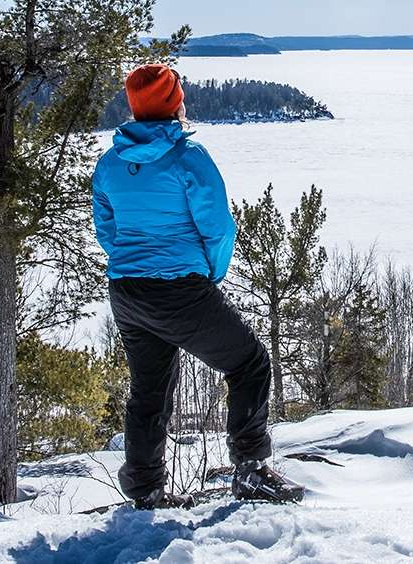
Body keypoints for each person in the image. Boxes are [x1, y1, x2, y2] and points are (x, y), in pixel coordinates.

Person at [92, 63, 305, 509]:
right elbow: (218, 227)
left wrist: (131, 264)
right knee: (249, 363)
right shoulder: (188, 157)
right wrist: (210, 274)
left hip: (128, 292)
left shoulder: (111, 163)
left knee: (148, 391)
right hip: (179, 289)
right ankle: (250, 472)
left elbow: (107, 228)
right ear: (174, 104)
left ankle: (146, 491)